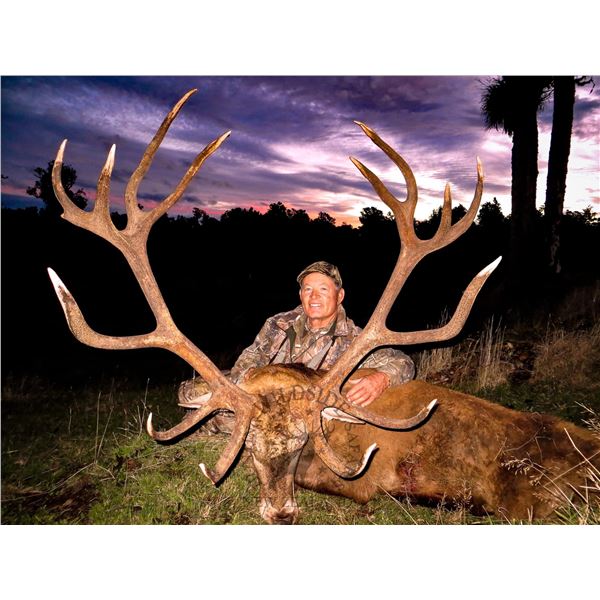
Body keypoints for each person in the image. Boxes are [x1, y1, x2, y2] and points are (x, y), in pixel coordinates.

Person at [179, 261, 415, 429]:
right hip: (261, 393)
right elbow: (252, 354)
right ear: (300, 295)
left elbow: (404, 362)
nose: (314, 296)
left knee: (216, 416)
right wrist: (245, 378)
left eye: (323, 289)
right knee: (189, 391)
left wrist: (381, 378)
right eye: (307, 289)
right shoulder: (278, 323)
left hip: (300, 409)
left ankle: (219, 425)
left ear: (340, 296)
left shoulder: (355, 339)